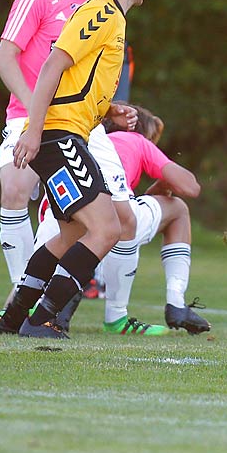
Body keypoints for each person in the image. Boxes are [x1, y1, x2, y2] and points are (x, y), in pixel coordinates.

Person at [0, 0, 153, 339]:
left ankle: (13, 318)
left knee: (72, 233)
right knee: (107, 229)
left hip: (64, 134)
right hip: (58, 137)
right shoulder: (102, 13)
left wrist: (106, 108)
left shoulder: (110, 16)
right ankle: (44, 317)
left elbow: (75, 81)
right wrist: (35, 129)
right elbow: (52, 65)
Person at [0, 0, 117, 288]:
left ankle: (112, 309)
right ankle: (21, 288)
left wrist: (112, 109)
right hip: (31, 116)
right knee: (15, 189)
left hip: (80, 125)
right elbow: (4, 58)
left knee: (115, 211)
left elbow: (89, 79)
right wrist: (37, 114)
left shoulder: (100, 8)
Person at [32, 103, 206, 334]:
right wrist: (165, 182)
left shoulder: (83, 137)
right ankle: (164, 306)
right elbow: (189, 187)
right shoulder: (135, 140)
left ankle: (20, 303)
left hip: (52, 227)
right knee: (175, 211)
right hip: (107, 223)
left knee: (94, 224)